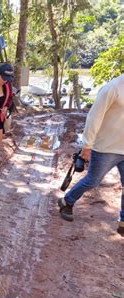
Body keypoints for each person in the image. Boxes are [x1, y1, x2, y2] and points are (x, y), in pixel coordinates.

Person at [58, 74, 124, 235]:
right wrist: (87, 146)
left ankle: (123, 220)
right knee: (92, 181)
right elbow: (94, 117)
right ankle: (67, 201)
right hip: (105, 147)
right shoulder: (112, 88)